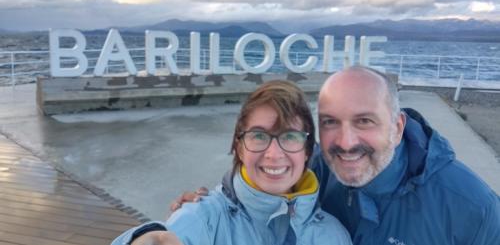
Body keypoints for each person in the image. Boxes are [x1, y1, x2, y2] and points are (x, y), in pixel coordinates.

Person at [170, 66, 500, 245]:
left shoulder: (474, 208)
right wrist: (206, 203)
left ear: (398, 127)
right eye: (330, 122)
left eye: (364, 121)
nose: (345, 142)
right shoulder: (320, 169)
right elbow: (256, 184)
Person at [111, 80, 352, 245]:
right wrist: (144, 237)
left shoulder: (333, 235)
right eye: (259, 136)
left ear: (308, 150)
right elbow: (174, 235)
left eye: (289, 136)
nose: (274, 153)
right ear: (239, 146)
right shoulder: (206, 218)